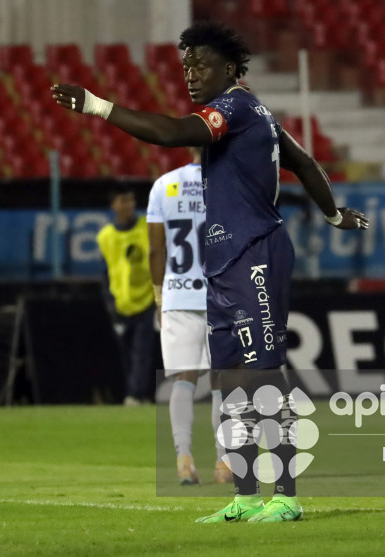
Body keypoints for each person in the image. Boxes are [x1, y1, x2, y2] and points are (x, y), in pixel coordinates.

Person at [52, 21, 367, 523]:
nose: (191, 75)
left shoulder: (236, 107)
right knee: (232, 381)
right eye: (186, 67)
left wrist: (97, 106)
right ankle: (245, 495)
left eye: (200, 65)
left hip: (254, 252)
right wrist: (333, 214)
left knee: (263, 374)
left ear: (230, 68)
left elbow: (174, 133)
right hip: (222, 261)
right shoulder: (258, 111)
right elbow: (304, 162)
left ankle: (285, 495)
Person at [147, 147, 233, 485]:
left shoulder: (164, 185)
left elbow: (157, 249)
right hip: (221, 295)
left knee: (183, 380)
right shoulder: (228, 185)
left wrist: (158, 297)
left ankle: (184, 458)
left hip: (179, 295)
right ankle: (224, 462)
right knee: (220, 382)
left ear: (189, 146)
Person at [97, 185, 156, 406]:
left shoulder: (147, 227)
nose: (127, 205)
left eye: (130, 200)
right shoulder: (106, 236)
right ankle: (138, 393)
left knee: (142, 351)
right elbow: (105, 271)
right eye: (122, 201)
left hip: (147, 300)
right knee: (126, 353)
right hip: (121, 303)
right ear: (113, 205)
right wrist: (109, 302)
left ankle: (135, 395)